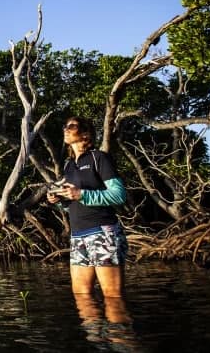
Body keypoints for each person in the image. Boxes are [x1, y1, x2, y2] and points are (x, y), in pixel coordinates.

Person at [47, 116, 129, 300]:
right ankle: (94, 330)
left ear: (85, 134)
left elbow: (119, 195)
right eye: (65, 126)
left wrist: (82, 194)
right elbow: (72, 205)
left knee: (112, 297)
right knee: (81, 296)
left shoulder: (99, 158)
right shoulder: (69, 166)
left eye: (72, 126)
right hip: (78, 236)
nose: (66, 129)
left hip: (102, 232)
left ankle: (116, 330)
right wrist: (59, 200)